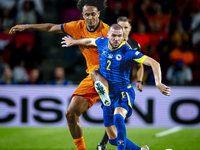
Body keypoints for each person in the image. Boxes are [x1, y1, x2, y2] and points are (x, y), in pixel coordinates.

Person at [9, 0, 111, 149]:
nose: (90, 18)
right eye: (87, 14)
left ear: (99, 14)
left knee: (116, 125)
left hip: (111, 74)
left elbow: (100, 43)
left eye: (93, 14)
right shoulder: (77, 26)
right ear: (82, 15)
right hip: (93, 77)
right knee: (71, 113)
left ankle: (106, 95)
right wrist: (26, 26)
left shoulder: (107, 30)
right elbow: (51, 27)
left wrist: (76, 41)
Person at [61, 24, 171, 150]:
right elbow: (90, 40)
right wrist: (74, 41)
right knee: (113, 139)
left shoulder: (127, 52)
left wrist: (158, 83)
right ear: (107, 35)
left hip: (123, 92)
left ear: (122, 37)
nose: (116, 39)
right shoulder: (102, 42)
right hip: (109, 96)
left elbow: (154, 63)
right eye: (113, 35)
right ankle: (141, 149)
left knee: (118, 117)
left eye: (119, 36)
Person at [97, 16, 144, 150]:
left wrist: (139, 80)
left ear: (129, 29)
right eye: (120, 26)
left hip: (122, 87)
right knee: (115, 126)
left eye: (125, 27)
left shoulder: (133, 46)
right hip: (108, 84)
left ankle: (104, 143)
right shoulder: (108, 42)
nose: (122, 29)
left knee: (117, 118)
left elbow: (140, 64)